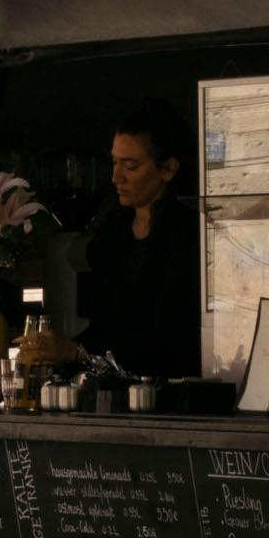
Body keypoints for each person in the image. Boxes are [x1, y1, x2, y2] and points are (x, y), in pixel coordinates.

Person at [82, 108, 202, 385]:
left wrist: (78, 352)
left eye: (130, 166)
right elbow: (100, 327)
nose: (116, 177)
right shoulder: (111, 237)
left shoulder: (187, 238)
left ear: (168, 169)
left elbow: (169, 338)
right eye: (114, 163)